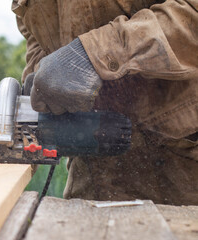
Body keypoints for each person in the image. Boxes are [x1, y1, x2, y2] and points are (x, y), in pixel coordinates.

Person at [11, 0, 198, 205]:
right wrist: (42, 73)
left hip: (182, 168)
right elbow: (36, 37)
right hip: (92, 177)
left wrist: (92, 55)